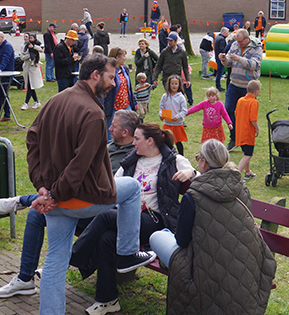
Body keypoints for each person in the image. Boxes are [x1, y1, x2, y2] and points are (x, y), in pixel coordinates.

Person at [26, 54, 156, 314]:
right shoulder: (94, 113)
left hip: (56, 199)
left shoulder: (54, 100)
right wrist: (53, 193)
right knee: (131, 187)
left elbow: (32, 140)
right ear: (95, 75)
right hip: (80, 198)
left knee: (55, 260)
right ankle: (128, 253)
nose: (113, 84)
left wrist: (42, 186)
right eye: (110, 77)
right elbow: (79, 164)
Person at [0, 110, 141, 300]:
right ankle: (25, 279)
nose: (109, 128)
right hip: (81, 201)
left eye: (114, 126)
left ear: (126, 132)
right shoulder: (107, 147)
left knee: (49, 207)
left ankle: (23, 200)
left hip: (101, 211)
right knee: (37, 214)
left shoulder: (134, 154)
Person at [70, 123, 196, 315]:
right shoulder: (132, 161)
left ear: (150, 141)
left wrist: (191, 173)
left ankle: (73, 257)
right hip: (125, 216)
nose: (133, 143)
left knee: (105, 217)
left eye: (137, 139)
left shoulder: (173, 159)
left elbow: (202, 179)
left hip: (154, 220)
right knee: (106, 239)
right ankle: (107, 300)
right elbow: (114, 186)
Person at [149, 139, 276, 314]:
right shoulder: (241, 187)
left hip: (205, 265)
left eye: (198, 158)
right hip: (245, 262)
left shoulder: (193, 196)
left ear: (204, 162)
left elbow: (182, 241)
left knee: (158, 236)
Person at [219, 28, 262, 151]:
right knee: (228, 110)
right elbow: (228, 63)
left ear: (247, 39)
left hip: (248, 87)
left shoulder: (257, 47)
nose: (239, 44)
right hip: (234, 83)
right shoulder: (234, 45)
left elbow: (253, 65)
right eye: (237, 41)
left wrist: (238, 58)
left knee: (247, 116)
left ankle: (246, 139)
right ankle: (234, 138)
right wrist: (224, 59)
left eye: (241, 42)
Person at [104, 47, 136, 142]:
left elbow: (128, 87)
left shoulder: (124, 68)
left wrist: (134, 102)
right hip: (114, 107)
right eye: (123, 56)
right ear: (117, 58)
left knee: (130, 130)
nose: (125, 58)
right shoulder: (109, 71)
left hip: (126, 105)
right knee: (112, 135)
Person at [235, 79, 261, 179]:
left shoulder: (240, 100)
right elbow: (253, 119)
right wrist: (257, 129)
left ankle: (247, 172)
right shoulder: (254, 102)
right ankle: (236, 174)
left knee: (245, 153)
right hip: (248, 132)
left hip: (240, 131)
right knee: (248, 155)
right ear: (256, 92)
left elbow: (236, 114)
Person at [159, 75, 188, 155]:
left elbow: (184, 111)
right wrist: (161, 114)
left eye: (176, 83)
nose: (174, 86)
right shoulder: (165, 96)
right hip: (167, 123)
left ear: (179, 85)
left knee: (178, 142)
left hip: (177, 123)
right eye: (172, 83)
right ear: (169, 84)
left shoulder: (181, 97)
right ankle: (168, 156)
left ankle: (181, 156)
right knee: (167, 141)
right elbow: (161, 107)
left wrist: (178, 116)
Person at [21, 33, 44, 110]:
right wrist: (30, 56)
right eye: (25, 37)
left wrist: (33, 47)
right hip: (27, 67)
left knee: (31, 85)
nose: (26, 38)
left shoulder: (35, 44)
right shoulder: (23, 46)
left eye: (28, 37)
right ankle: (36, 101)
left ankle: (26, 103)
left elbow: (41, 49)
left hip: (33, 67)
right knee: (30, 86)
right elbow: (22, 57)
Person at [214, 27, 229, 91]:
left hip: (217, 56)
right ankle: (218, 86)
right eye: (228, 32)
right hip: (220, 57)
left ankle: (218, 85)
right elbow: (222, 49)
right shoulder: (222, 39)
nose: (228, 34)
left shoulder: (217, 37)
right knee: (220, 71)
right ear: (224, 32)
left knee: (219, 71)